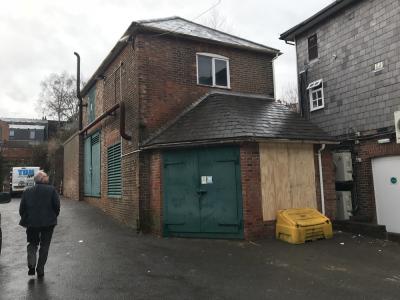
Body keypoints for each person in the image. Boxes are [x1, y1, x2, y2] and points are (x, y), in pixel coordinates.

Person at [19, 171, 60, 277]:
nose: (47, 177)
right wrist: (53, 216)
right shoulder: (51, 190)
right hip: (48, 223)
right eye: (46, 176)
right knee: (45, 246)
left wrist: (26, 218)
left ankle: (31, 266)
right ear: (42, 179)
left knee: (32, 244)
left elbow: (22, 209)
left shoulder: (27, 191)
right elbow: (57, 206)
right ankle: (40, 269)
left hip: (32, 223)